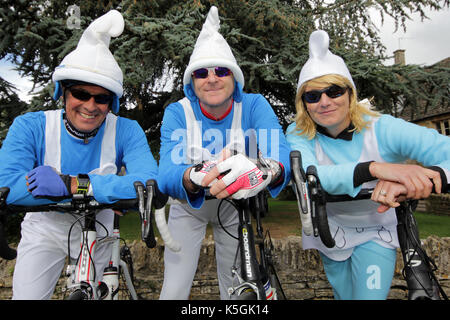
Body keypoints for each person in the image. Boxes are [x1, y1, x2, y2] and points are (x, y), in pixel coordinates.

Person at [0, 10, 158, 299]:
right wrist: (107, 190)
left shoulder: (127, 130)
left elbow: (148, 184)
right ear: (63, 92)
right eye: (81, 94)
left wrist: (71, 184)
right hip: (44, 228)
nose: (91, 105)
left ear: (113, 103)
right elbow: (7, 188)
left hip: (101, 227)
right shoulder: (30, 126)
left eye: (102, 98)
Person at [286, 30, 450, 300]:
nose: (324, 102)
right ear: (304, 104)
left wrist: (430, 176)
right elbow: (307, 176)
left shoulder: (382, 127)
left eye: (334, 91)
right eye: (313, 96)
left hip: (376, 230)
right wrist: (374, 169)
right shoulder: (298, 132)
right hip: (329, 231)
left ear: (350, 94)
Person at [157, 6, 291, 300]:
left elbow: (279, 151)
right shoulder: (177, 112)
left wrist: (263, 169)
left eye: (221, 70)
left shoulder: (254, 105)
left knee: (236, 290)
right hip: (188, 206)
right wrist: (193, 174)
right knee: (174, 289)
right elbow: (166, 172)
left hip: (235, 204)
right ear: (192, 82)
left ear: (235, 77)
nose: (212, 78)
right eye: (201, 73)